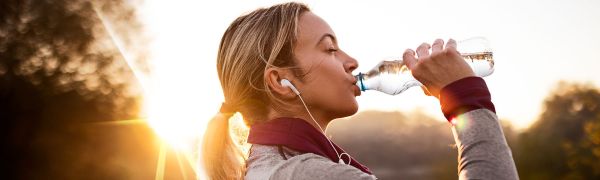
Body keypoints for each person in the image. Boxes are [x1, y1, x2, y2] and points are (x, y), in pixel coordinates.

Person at [201, 2, 518, 180]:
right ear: (280, 82)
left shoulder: (265, 170)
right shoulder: (309, 175)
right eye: (329, 49)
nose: (351, 62)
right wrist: (464, 97)